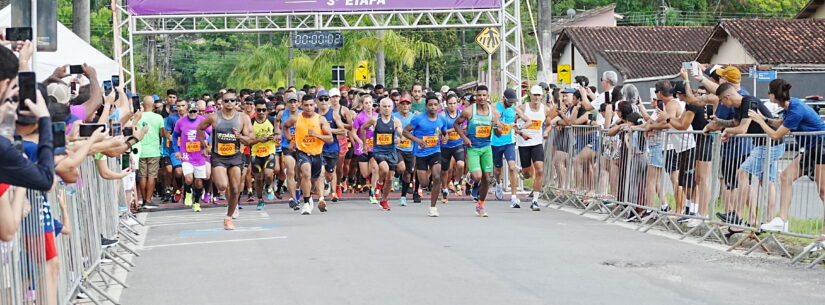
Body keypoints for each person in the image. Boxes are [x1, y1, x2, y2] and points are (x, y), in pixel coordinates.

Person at [750, 79, 825, 238]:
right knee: (786, 176)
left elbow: (776, 135)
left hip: (821, 145)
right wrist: (765, 119)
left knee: (823, 192)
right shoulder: (790, 107)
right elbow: (780, 123)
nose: (768, 95)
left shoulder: (796, 109)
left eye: (768, 92)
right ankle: (782, 220)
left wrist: (758, 122)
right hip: (812, 147)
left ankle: (823, 235)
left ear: (774, 95)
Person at [708, 82, 780, 230]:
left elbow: (742, 128)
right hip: (765, 144)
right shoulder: (739, 106)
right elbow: (734, 122)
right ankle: (767, 222)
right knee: (767, 181)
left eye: (722, 101)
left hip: (769, 144)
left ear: (727, 97)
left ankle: (738, 216)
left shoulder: (749, 102)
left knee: (742, 173)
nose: (723, 105)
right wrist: (719, 122)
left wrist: (727, 131)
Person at [198, 91, 255, 230]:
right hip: (219, 156)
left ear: (236, 102)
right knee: (223, 186)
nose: (229, 103)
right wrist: (204, 146)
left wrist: (242, 139)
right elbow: (200, 128)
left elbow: (251, 135)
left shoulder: (243, 118)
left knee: (235, 189)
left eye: (232, 100)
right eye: (227, 101)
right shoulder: (214, 117)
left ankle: (228, 218)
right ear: (222, 103)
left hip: (235, 156)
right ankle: (226, 198)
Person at [453, 85, 502, 217]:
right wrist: (464, 138)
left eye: (484, 95)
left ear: (487, 96)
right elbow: (456, 124)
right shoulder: (469, 111)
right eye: (479, 95)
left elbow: (499, 134)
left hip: (486, 148)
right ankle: (470, 176)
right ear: (476, 96)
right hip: (473, 148)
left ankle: (480, 204)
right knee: (477, 176)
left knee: (487, 178)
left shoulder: (494, 112)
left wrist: (496, 125)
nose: (481, 98)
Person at [282, 95, 334, 215]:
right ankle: (306, 203)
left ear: (315, 105)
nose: (309, 108)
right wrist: (290, 140)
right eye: (306, 105)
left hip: (317, 153)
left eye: (311, 105)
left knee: (317, 178)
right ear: (302, 105)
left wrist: (317, 135)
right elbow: (285, 126)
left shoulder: (320, 119)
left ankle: (315, 198)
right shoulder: (296, 118)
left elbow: (330, 138)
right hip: (302, 152)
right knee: (306, 174)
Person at [403, 94, 451, 217]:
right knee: (424, 183)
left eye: (435, 105)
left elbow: (444, 132)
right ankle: (426, 182)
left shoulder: (442, 119)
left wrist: (445, 138)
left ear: (439, 106)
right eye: (430, 105)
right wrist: (417, 140)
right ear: (426, 106)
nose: (433, 107)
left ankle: (433, 207)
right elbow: (405, 132)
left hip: (435, 152)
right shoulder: (418, 119)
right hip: (420, 153)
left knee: (437, 176)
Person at [515, 85, 557, 211]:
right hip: (524, 144)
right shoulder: (523, 108)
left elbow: (549, 125)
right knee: (528, 174)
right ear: (530, 95)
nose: (536, 97)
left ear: (542, 96)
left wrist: (546, 132)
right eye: (534, 95)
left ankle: (535, 201)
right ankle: (523, 172)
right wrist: (521, 132)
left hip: (537, 143)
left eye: (539, 95)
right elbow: (513, 125)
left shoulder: (545, 109)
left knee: (539, 170)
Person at [360, 98, 405, 210]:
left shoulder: (396, 121)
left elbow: (400, 132)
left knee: (390, 178)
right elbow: (363, 128)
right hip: (378, 151)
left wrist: (400, 138)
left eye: (389, 106)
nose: (386, 109)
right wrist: (365, 143)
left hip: (391, 151)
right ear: (380, 107)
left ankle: (384, 200)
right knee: (384, 169)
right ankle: (379, 183)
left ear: (392, 107)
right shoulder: (375, 119)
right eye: (384, 106)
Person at [173, 101, 210, 212]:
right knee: (189, 178)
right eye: (191, 111)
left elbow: (211, 133)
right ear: (187, 111)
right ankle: (188, 192)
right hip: (186, 154)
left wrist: (207, 145)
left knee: (199, 181)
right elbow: (174, 137)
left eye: (195, 111)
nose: (193, 114)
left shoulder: (203, 120)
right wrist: (177, 151)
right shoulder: (180, 122)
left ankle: (197, 202)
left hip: (199, 155)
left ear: (198, 111)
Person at [316, 90, 347, 205]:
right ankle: (321, 198)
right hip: (318, 148)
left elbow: (343, 131)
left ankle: (333, 191)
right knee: (321, 172)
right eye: (321, 99)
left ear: (328, 100)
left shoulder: (333, 113)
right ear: (317, 101)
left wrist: (328, 130)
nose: (323, 101)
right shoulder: (313, 114)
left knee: (330, 173)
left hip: (332, 148)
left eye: (325, 99)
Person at [137, 96, 165, 208]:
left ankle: (144, 199)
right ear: (153, 105)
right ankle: (148, 200)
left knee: (142, 175)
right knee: (152, 176)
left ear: (143, 105)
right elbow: (162, 133)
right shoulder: (158, 117)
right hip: (153, 150)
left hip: (140, 150)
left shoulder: (138, 116)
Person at [249, 98, 277, 210]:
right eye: (259, 110)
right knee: (258, 178)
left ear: (267, 110)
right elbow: (248, 139)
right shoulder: (251, 122)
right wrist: (259, 140)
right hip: (255, 153)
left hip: (269, 151)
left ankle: (269, 186)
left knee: (269, 174)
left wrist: (275, 137)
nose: (261, 112)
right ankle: (260, 199)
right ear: (255, 110)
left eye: (263, 110)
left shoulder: (271, 120)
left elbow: (278, 134)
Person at [439, 93, 466, 203]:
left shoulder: (461, 114)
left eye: (454, 103)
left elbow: (464, 129)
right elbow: (439, 129)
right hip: (445, 146)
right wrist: (443, 134)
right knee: (446, 170)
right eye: (450, 104)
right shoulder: (443, 115)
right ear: (446, 104)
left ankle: (456, 181)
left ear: (458, 103)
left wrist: (449, 131)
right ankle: (445, 188)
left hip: (458, 144)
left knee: (461, 164)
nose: (452, 106)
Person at [354, 95, 380, 204]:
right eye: (366, 103)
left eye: (370, 103)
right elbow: (353, 133)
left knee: (375, 168)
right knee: (365, 174)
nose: (369, 105)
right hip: (362, 147)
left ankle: (373, 191)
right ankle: (367, 180)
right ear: (362, 105)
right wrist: (361, 143)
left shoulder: (377, 116)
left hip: (374, 146)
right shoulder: (359, 117)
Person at [279, 93, 302, 210]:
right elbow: (279, 126)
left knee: (301, 174)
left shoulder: (303, 114)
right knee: (290, 171)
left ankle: (297, 189)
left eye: (295, 102)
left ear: (298, 103)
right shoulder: (283, 114)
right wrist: (279, 135)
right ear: (287, 103)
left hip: (301, 147)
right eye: (290, 102)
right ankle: (293, 199)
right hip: (287, 146)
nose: (293, 104)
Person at [394, 95, 417, 206]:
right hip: (397, 148)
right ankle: (396, 175)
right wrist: (395, 138)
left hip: (410, 149)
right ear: (399, 105)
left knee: (408, 174)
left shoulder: (414, 117)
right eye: (402, 103)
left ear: (410, 105)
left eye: (407, 104)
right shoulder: (394, 117)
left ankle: (403, 197)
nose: (405, 106)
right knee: (401, 167)